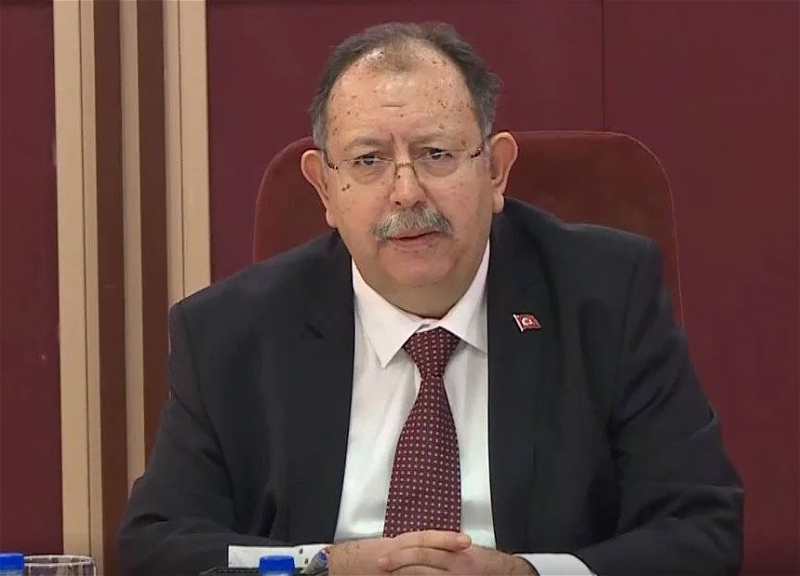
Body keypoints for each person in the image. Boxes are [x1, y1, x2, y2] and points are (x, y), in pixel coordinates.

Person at [118, 22, 743, 576]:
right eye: (368, 160)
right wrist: (323, 567)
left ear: (495, 171)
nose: (406, 192)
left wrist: (524, 575)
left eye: (436, 154)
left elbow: (700, 530)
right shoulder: (229, 332)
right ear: (325, 189)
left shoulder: (605, 297)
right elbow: (158, 546)